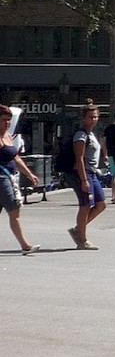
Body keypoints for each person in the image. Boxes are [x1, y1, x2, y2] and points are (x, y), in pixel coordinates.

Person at [0, 105, 40, 254]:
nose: (7, 123)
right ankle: (25, 245)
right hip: (1, 179)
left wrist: (29, 174)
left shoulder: (8, 136)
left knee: (13, 210)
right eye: (4, 120)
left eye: (9, 120)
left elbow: (16, 158)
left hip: (9, 177)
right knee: (14, 210)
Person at [67, 99, 106, 250]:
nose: (94, 119)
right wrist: (84, 180)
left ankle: (78, 229)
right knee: (85, 206)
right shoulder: (81, 135)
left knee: (101, 204)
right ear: (84, 118)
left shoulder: (91, 134)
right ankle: (82, 240)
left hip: (93, 173)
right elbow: (79, 158)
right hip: (83, 173)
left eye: (95, 116)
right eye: (91, 117)